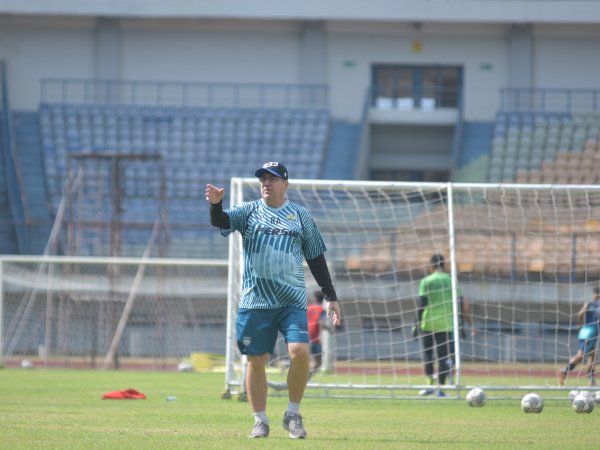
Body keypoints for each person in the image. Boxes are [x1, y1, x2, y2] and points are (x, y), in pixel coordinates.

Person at [205, 161, 342, 439]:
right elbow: (221, 222)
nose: (266, 183)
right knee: (256, 361)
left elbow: (315, 257)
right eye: (263, 179)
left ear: (285, 184)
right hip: (255, 301)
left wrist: (331, 296)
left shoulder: (300, 215)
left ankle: (293, 414)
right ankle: (260, 420)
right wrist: (216, 205)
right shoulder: (248, 211)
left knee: (300, 354)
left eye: (273, 178)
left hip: (291, 300)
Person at [414, 253, 473, 396]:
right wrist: (460, 324)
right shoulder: (451, 280)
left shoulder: (426, 281)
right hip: (446, 324)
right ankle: (440, 389)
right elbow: (459, 302)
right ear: (444, 265)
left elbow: (422, 304)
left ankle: (429, 386)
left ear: (431, 266)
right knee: (443, 358)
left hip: (427, 323)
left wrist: (416, 324)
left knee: (428, 355)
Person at [558, 286, 600, 387]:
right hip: (592, 332)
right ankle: (565, 370)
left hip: (584, 330)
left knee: (592, 355)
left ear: (593, 295)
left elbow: (580, 314)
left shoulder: (588, 304)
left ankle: (591, 380)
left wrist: (580, 325)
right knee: (581, 354)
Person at [307, 290, 331, 376]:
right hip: (314, 338)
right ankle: (306, 378)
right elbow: (321, 323)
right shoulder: (321, 310)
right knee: (318, 362)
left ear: (315, 298)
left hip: (304, 337)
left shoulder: (308, 308)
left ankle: (304, 378)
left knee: (305, 361)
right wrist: (329, 329)